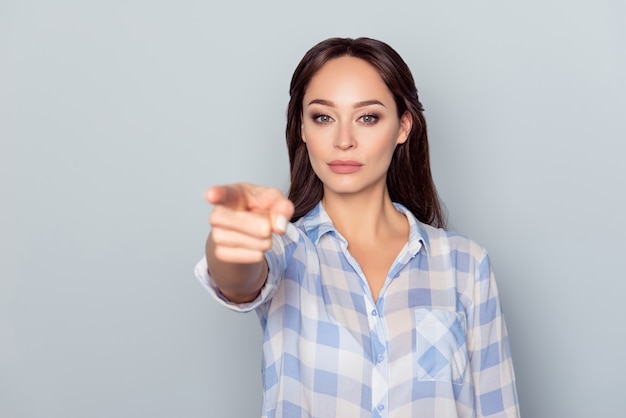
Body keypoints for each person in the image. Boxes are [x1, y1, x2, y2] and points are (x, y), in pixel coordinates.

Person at [195, 37, 520, 418]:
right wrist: (233, 242)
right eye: (323, 117)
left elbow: (499, 409)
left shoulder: (464, 266)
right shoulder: (287, 249)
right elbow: (240, 280)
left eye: (367, 117)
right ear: (302, 127)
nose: (343, 140)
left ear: (403, 126)